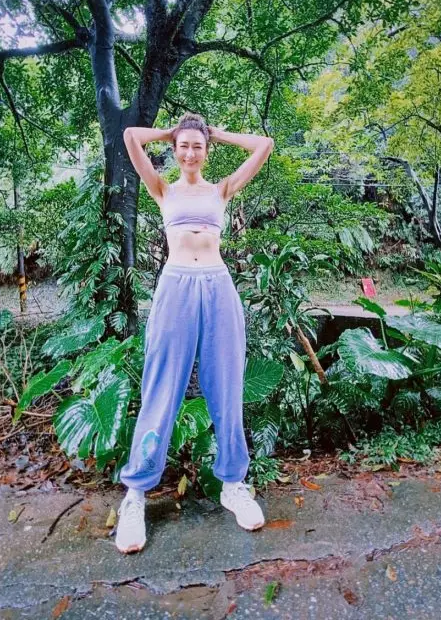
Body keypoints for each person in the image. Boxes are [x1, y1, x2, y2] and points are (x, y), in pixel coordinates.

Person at [116, 113, 274, 553]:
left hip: (218, 287)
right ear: (174, 149)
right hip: (176, 288)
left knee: (227, 385)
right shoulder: (162, 189)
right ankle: (136, 495)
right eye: (183, 146)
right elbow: (130, 136)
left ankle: (233, 485)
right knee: (161, 387)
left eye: (197, 146)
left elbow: (264, 145)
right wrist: (172, 131)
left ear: (207, 151)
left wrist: (215, 132)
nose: (189, 153)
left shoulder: (221, 190)